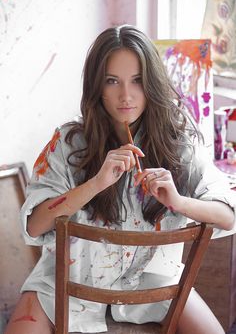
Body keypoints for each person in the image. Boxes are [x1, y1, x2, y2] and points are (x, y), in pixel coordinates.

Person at [4, 25, 236, 334]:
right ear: (97, 86)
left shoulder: (179, 145)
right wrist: (96, 183)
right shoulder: (68, 142)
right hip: (66, 283)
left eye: (137, 80)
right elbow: (34, 225)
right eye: (112, 81)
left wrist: (179, 202)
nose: (125, 95)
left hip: (154, 283)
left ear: (151, 83)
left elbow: (227, 216)